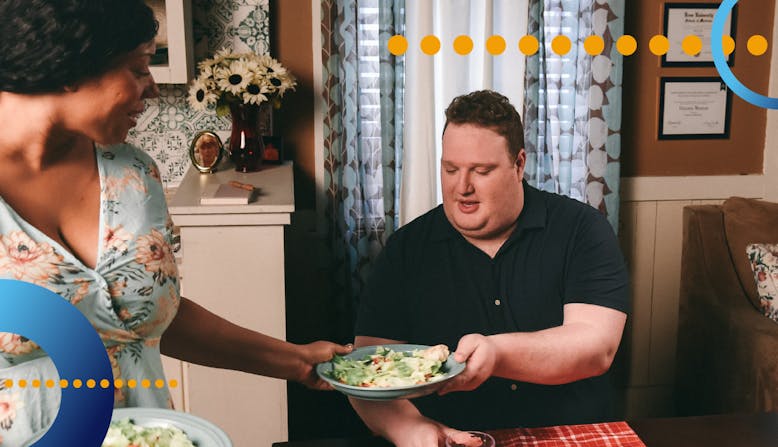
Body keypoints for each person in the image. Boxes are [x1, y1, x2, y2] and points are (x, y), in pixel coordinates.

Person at [0, 1, 351, 444]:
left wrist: (298, 362)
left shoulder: (133, 173)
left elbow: (147, 315)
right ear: (70, 65)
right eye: (138, 68)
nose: (149, 89)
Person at [351, 90, 629, 447]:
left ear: (519, 164)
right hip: (449, 437)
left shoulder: (582, 230)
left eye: (481, 171)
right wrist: (410, 429)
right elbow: (367, 369)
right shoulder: (406, 249)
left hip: (565, 434)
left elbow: (596, 346)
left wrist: (497, 353)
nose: (462, 187)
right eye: (450, 169)